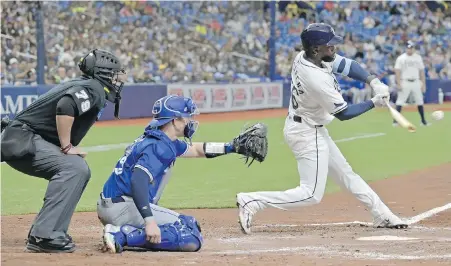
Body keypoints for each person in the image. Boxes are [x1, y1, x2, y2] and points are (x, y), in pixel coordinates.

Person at [236, 23, 408, 235]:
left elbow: (346, 65)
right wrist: (374, 102)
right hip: (305, 132)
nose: (334, 48)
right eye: (329, 45)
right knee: (311, 194)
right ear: (316, 49)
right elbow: (343, 114)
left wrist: (373, 80)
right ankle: (251, 200)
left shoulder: (310, 56)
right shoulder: (315, 79)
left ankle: (381, 214)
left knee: (347, 175)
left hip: (311, 127)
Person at [99, 95, 267, 253]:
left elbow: (196, 150)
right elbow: (138, 181)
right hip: (123, 207)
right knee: (190, 236)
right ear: (175, 120)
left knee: (189, 223)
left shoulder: (161, 139)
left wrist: (231, 147)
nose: (190, 121)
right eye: (187, 117)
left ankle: (126, 231)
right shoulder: (159, 147)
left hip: (115, 204)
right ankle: (121, 234)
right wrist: (149, 220)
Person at [1, 49, 125, 253]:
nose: (117, 79)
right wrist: (67, 146)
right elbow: (66, 106)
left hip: (21, 137)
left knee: (77, 168)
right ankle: (45, 236)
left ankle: (44, 231)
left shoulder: (87, 85)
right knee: (74, 168)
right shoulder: (94, 87)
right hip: (22, 139)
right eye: (114, 73)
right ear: (102, 72)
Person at [393, 41, 430, 126]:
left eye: (411, 48)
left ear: (413, 48)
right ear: (406, 48)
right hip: (405, 81)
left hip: (416, 81)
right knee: (400, 101)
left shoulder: (418, 57)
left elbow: (421, 71)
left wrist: (423, 84)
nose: (410, 49)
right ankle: (395, 121)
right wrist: (398, 83)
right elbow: (397, 71)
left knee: (420, 101)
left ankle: (423, 121)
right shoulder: (401, 58)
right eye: (408, 48)